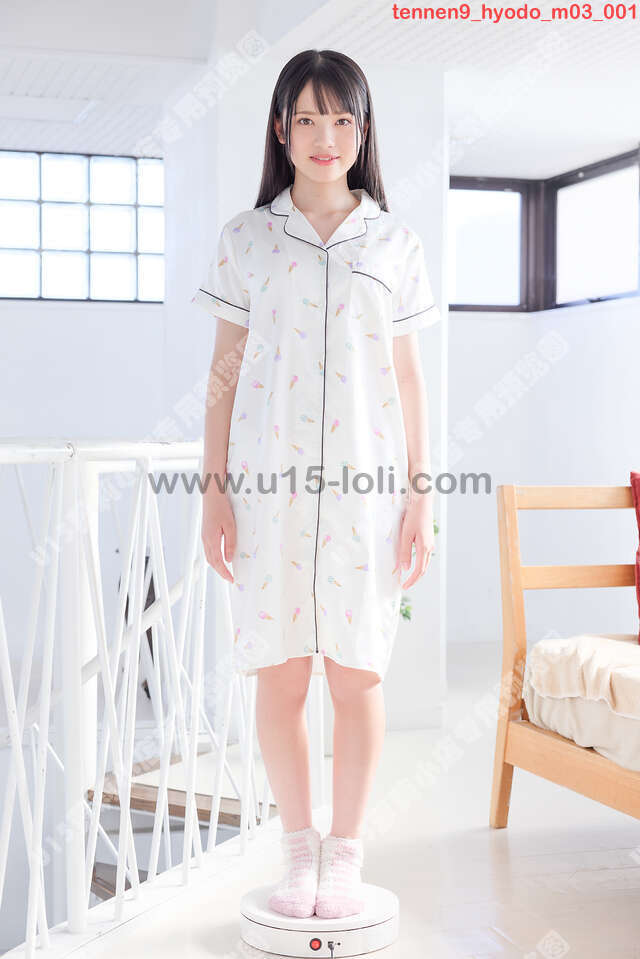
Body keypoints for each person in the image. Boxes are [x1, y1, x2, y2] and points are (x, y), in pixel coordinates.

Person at [196, 48, 440, 921]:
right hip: (269, 493)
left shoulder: (395, 243)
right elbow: (224, 372)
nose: (324, 136)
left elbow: (409, 379)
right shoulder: (246, 240)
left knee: (358, 674)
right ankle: (297, 853)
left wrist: (421, 495)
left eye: (340, 119)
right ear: (281, 129)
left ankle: (346, 855)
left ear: (363, 131)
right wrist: (213, 488)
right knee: (281, 673)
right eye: (306, 118)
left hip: (368, 498)